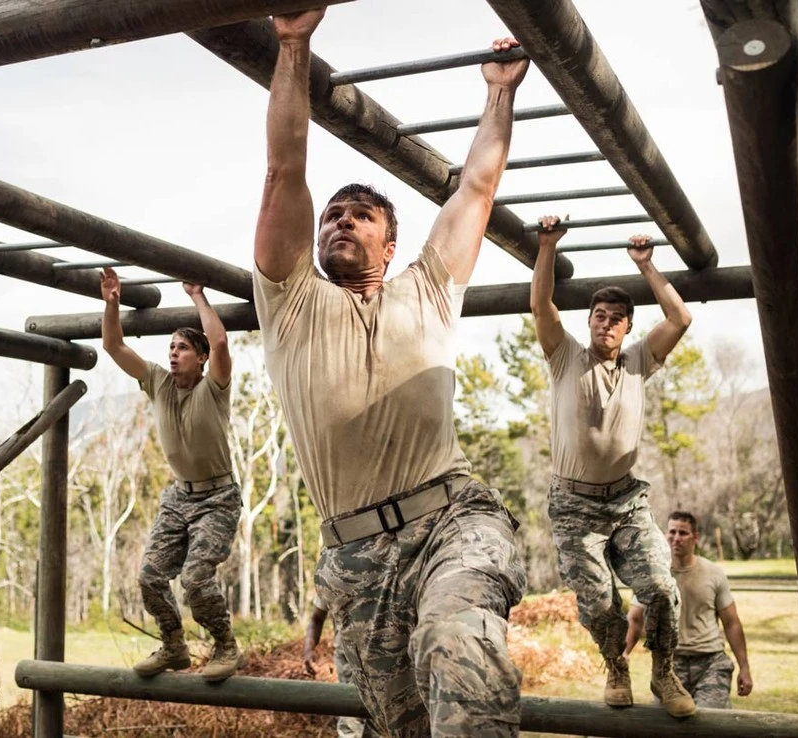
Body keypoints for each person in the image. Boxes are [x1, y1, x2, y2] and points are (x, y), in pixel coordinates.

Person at [254, 8, 529, 736]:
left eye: (358, 216)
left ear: (390, 240)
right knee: (389, 726)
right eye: (330, 216)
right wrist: (292, 46)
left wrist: (499, 94)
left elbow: (475, 189)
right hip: (356, 556)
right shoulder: (290, 303)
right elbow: (285, 168)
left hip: (451, 520)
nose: (339, 221)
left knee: (457, 640)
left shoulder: (429, 288)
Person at [530, 222, 695, 717]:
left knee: (662, 589)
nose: (605, 323)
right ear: (589, 323)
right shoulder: (565, 358)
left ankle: (664, 673)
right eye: (599, 316)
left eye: (616, 318)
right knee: (598, 599)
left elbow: (681, 317)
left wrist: (645, 265)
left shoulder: (640, 360)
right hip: (575, 506)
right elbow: (541, 306)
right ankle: (615, 666)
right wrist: (547, 246)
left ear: (627, 328)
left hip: (626, 503)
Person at [99, 268, 244, 682]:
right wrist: (112, 302)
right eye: (171, 346)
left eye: (182, 348)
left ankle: (225, 645)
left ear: (199, 359)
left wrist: (198, 295)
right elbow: (113, 345)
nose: (173, 353)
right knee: (150, 576)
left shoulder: (213, 387)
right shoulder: (158, 384)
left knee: (196, 578)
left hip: (218, 497)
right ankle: (174, 644)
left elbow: (218, 341)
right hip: (178, 497)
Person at [624, 511, 753, 708]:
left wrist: (744, 667)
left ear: (695, 537)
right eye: (672, 532)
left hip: (711, 662)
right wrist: (623, 653)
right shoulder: (653, 575)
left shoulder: (714, 573)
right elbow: (635, 619)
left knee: (707, 723)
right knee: (667, 725)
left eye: (683, 533)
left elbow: (731, 623)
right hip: (669, 665)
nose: (676, 538)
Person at [304, 595, 370, 738]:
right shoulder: (331, 574)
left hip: (384, 658)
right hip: (349, 659)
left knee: (379, 722)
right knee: (351, 720)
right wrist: (309, 650)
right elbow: (317, 618)